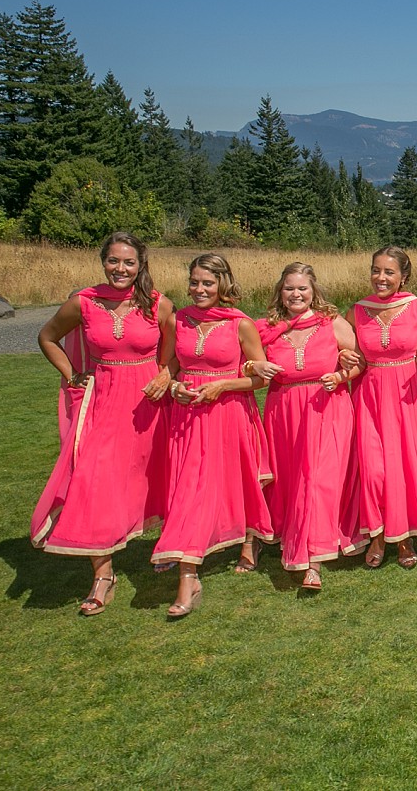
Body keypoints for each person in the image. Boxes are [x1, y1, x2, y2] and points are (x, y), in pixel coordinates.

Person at [31, 233, 173, 616]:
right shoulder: (84, 301)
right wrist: (73, 372)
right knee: (94, 479)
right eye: (113, 261)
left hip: (148, 404)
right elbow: (47, 337)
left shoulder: (159, 305)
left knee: (152, 476)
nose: (120, 269)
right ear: (103, 262)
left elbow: (170, 357)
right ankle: (103, 574)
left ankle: (167, 548)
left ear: (141, 265)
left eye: (129, 262)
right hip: (104, 400)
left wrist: (164, 375)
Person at [152, 254, 276, 619]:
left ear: (223, 284)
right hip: (187, 416)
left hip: (230, 413)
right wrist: (173, 386)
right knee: (188, 489)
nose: (199, 289)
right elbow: (171, 364)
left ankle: (250, 542)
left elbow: (261, 378)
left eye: (207, 283)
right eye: (194, 282)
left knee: (239, 482)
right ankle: (189, 576)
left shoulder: (241, 324)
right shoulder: (179, 320)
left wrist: (222, 386)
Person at [253, 263, 366, 592]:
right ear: (280, 291)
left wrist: (341, 375)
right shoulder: (268, 328)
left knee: (315, 481)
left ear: (314, 292)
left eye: (302, 288)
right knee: (291, 482)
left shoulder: (332, 323)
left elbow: (358, 362)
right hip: (284, 412)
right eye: (290, 288)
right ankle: (277, 536)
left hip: (327, 407)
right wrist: (252, 364)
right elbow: (250, 366)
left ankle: (311, 561)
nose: (296, 294)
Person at [345, 246, 417, 571]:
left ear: (403, 276)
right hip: (371, 396)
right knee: (374, 468)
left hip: (409, 396)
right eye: (376, 270)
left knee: (404, 465)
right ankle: (377, 534)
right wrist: (342, 357)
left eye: (389, 272)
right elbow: (346, 349)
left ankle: (404, 537)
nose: (381, 277)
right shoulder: (357, 311)